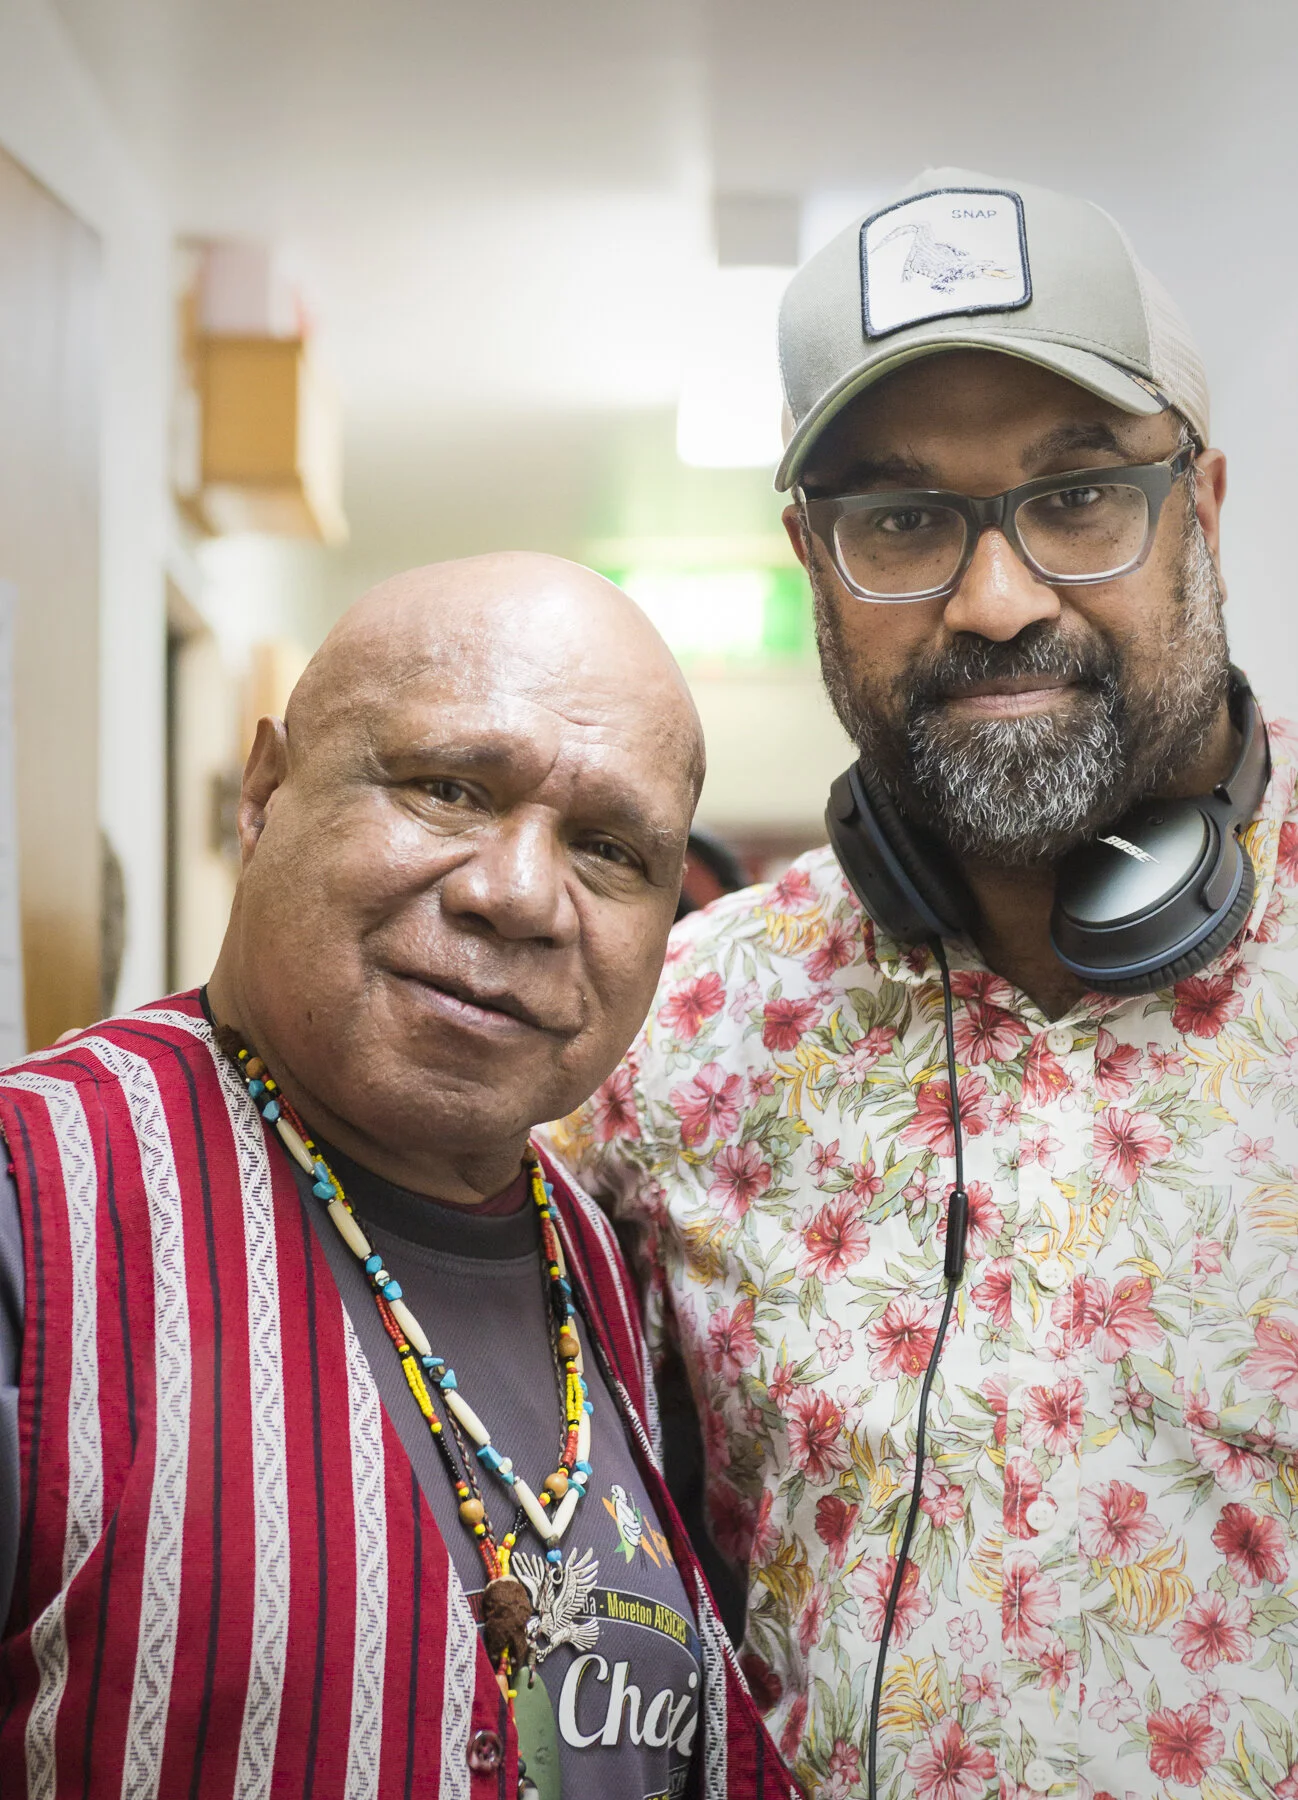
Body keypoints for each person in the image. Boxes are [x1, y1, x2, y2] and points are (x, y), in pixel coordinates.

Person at [547, 170, 1298, 1800]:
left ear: (1204, 507)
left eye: (1078, 493)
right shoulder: (682, 1033)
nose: (996, 597)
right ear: (811, 564)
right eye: (900, 521)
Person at [0, 553, 797, 1800]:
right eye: (445, 788)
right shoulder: (36, 1206)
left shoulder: (588, 1251)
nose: (519, 896)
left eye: (606, 849)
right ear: (264, 794)